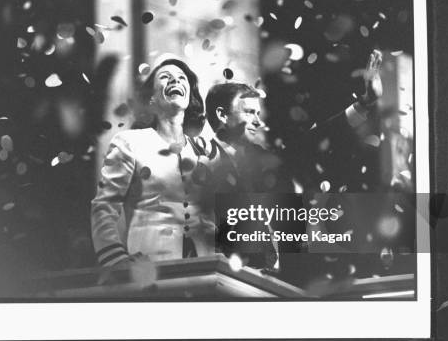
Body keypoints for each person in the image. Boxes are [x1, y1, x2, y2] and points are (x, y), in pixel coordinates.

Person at [201, 50, 383, 276]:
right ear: (222, 115)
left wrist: (364, 104)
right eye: (249, 113)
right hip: (221, 279)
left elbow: (313, 140)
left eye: (259, 113)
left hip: (275, 282)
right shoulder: (198, 158)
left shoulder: (264, 160)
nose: (258, 121)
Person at [90, 59, 215, 267]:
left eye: (182, 78)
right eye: (165, 77)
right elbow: (104, 206)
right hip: (152, 265)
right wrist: (116, 259)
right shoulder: (130, 142)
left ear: (190, 97)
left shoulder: (205, 150)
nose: (176, 79)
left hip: (207, 267)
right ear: (151, 99)